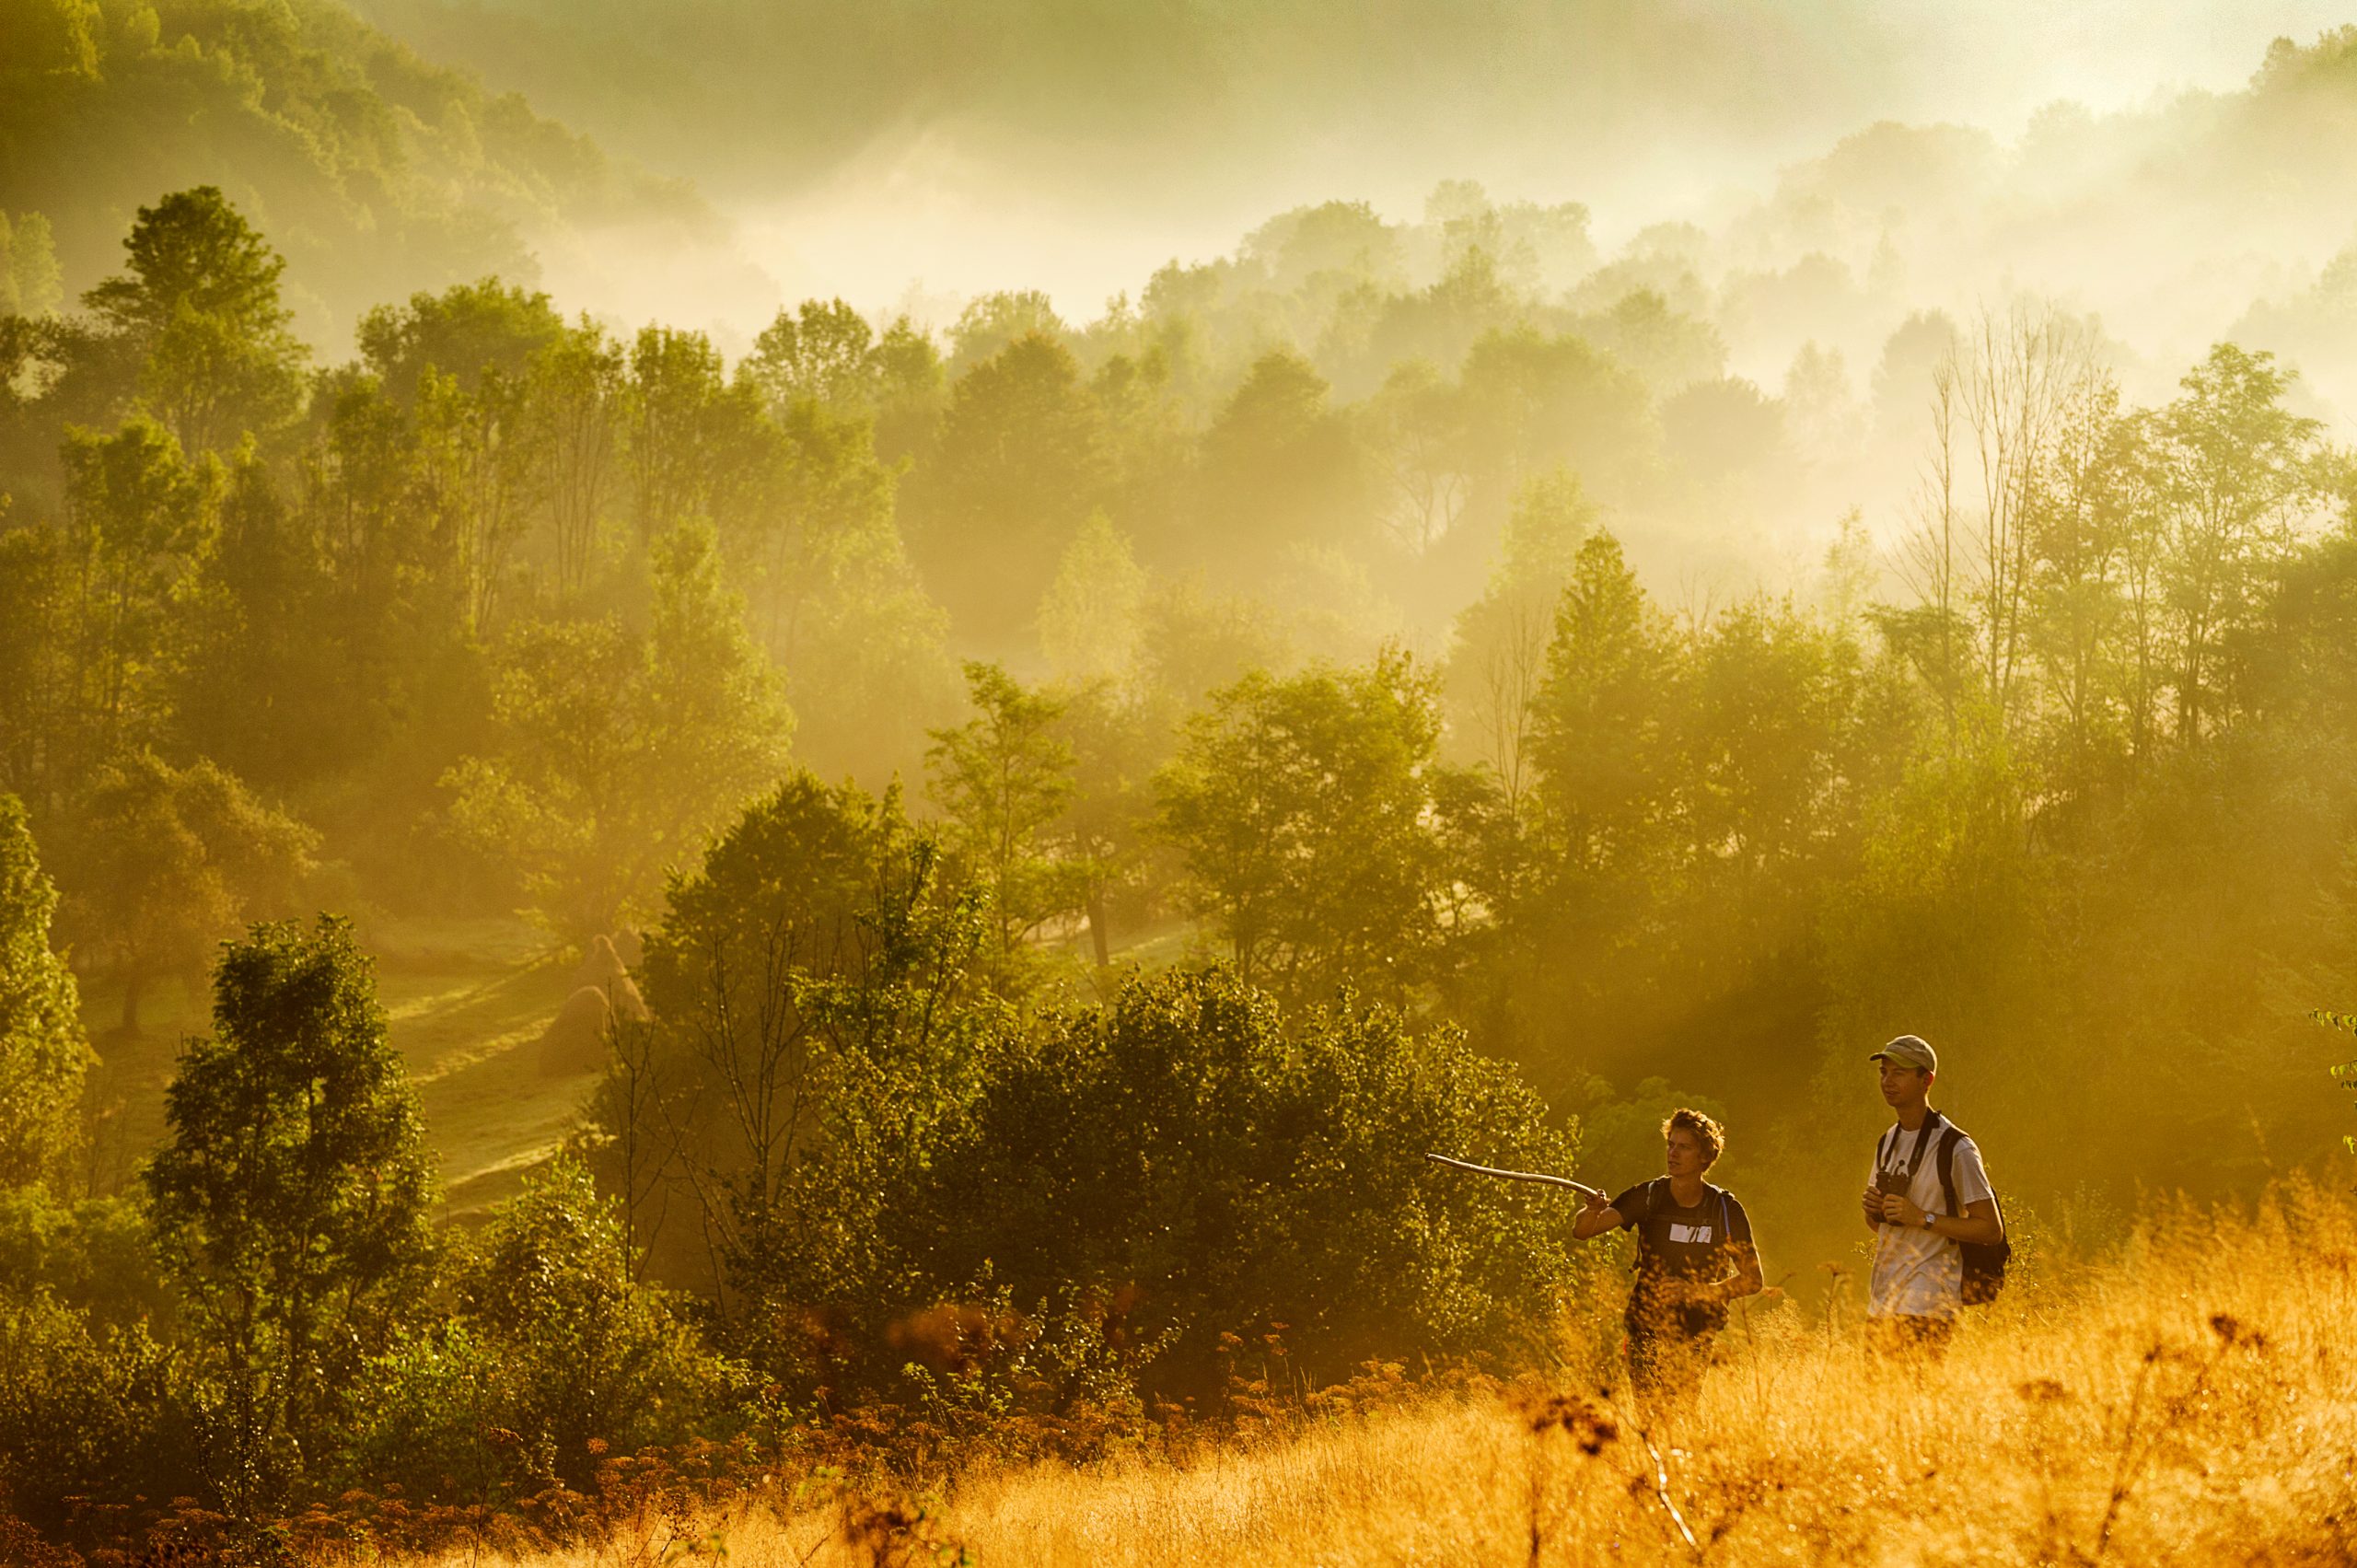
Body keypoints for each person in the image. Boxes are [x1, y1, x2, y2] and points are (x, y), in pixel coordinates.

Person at [1573, 1108, 1766, 1398]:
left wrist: (1695, 1292)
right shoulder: (1648, 1196)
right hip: (1645, 1326)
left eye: (1684, 1147)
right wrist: (1591, 1210)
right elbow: (1585, 1230)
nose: (1673, 1153)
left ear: (1705, 1156)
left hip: (1696, 1331)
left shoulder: (1724, 1209)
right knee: (1649, 1416)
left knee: (1681, 1412)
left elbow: (1753, 1280)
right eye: (1670, 1144)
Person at [1859, 1034, 2004, 1354]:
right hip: (1883, 1299)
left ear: (1927, 1080)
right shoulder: (1887, 1141)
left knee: (1912, 1398)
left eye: (1899, 1073)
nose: (1887, 1081)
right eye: (1884, 1072)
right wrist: (1874, 1211)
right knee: (1878, 1402)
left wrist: (1921, 1217)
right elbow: (1884, 1225)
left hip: (1929, 1302)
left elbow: (1991, 1230)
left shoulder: (1956, 1147)